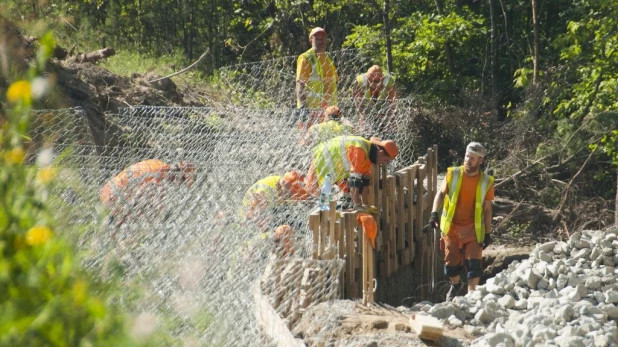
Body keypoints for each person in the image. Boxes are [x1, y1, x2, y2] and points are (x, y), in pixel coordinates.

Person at [428, 142, 495, 302]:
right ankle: (456, 284)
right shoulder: (453, 173)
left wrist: (487, 232)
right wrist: (433, 214)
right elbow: (440, 193)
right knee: (451, 266)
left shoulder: (487, 181)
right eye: (466, 156)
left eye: (472, 158)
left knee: (474, 265)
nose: (468, 160)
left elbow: (487, 209)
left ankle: (471, 297)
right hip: (452, 228)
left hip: (473, 229)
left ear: (480, 161)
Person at [304, 135, 398, 211]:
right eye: (386, 160)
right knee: (313, 193)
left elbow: (365, 181)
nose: (384, 163)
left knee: (327, 193)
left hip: (333, 165)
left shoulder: (368, 155)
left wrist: (365, 205)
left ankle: (325, 212)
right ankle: (315, 213)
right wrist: (357, 205)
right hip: (322, 158)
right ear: (381, 152)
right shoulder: (360, 150)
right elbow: (354, 181)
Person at [100, 159, 196, 226]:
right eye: (182, 180)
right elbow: (137, 198)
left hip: (111, 189)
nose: (178, 184)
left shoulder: (159, 164)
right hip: (112, 195)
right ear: (177, 175)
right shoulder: (157, 176)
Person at [296, 27, 339, 129]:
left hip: (329, 111)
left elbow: (335, 82)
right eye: (317, 38)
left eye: (323, 38)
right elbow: (300, 84)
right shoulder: (306, 58)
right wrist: (303, 107)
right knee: (308, 140)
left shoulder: (328, 58)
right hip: (311, 111)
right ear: (311, 40)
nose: (321, 41)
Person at [242, 171, 309, 230]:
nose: (289, 197)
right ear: (283, 184)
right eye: (289, 193)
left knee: (296, 222)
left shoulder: (287, 193)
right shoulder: (266, 189)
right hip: (249, 215)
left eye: (292, 196)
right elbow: (252, 208)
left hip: (271, 209)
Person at [353, 65, 397, 136]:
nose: (373, 84)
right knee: (365, 131)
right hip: (367, 111)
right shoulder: (360, 82)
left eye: (376, 81)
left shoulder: (389, 83)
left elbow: (394, 104)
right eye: (370, 80)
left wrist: (388, 118)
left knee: (391, 130)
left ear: (382, 79)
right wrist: (368, 117)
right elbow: (358, 104)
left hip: (385, 110)